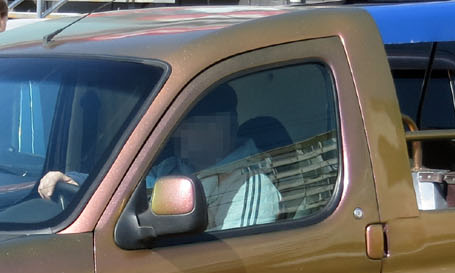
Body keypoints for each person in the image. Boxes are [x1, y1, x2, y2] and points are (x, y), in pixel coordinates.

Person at [38, 83, 281, 230]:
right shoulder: (170, 168)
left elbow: (233, 265)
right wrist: (73, 181)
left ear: (221, 127)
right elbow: (124, 189)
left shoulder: (251, 184)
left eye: (188, 125)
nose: (177, 134)